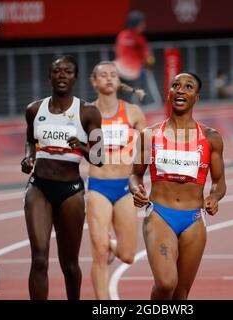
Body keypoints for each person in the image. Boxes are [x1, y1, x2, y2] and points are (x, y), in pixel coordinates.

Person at [129, 72, 226, 300]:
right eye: (176, 85)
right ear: (169, 93)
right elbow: (134, 176)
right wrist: (137, 191)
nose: (181, 90)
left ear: (197, 97)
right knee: (165, 284)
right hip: (160, 215)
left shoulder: (211, 138)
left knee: (181, 294)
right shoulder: (149, 135)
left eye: (188, 87)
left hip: (193, 219)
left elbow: (219, 182)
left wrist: (214, 197)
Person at [21, 55, 104, 300]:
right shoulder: (35, 109)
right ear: (49, 76)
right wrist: (29, 158)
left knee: (69, 264)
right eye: (57, 71)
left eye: (67, 71)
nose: (62, 75)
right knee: (39, 259)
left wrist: (81, 146)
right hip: (39, 188)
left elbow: (99, 158)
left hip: (71, 191)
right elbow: (30, 141)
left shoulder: (89, 112)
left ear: (75, 77)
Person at [86, 61, 147, 300]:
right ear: (94, 82)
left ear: (119, 82)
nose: (109, 79)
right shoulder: (86, 112)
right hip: (98, 186)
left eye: (113, 75)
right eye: (103, 75)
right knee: (98, 253)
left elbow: (147, 147)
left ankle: (112, 246)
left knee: (128, 255)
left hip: (124, 187)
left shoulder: (132, 112)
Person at [114, 10, 156, 105]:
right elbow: (148, 59)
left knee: (119, 97)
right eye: (142, 23)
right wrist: (150, 62)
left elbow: (117, 51)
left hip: (118, 70)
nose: (144, 25)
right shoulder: (139, 39)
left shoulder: (122, 35)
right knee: (127, 98)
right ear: (138, 24)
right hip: (131, 73)